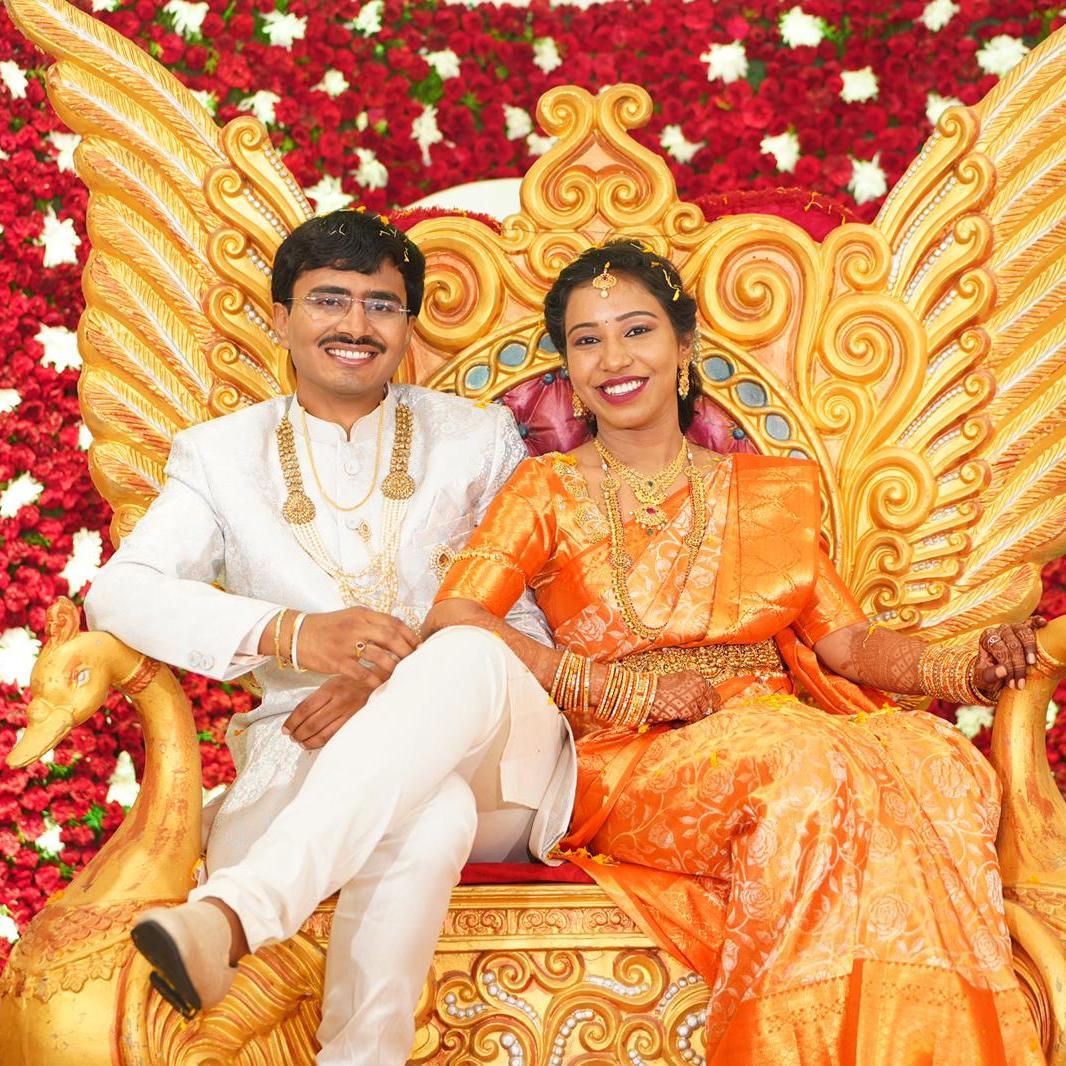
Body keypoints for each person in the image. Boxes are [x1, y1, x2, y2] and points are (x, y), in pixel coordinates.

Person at [424, 240, 1047, 1064]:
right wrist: (614, 690)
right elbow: (456, 615)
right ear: (567, 369)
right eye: (587, 340)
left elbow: (847, 641)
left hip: (777, 727)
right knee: (800, 764)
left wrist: (964, 669)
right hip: (628, 754)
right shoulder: (545, 490)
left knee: (937, 761)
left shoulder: (767, 491)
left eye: (637, 330)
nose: (614, 358)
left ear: (684, 345)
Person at [85, 208, 575, 1065]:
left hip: (500, 764)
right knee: (429, 813)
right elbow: (119, 593)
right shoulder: (219, 457)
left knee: (467, 653)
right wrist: (292, 634)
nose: (356, 325)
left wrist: (395, 686)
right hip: (303, 754)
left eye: (382, 305)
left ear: (408, 327)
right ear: (281, 318)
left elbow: (528, 621)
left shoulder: (477, 441)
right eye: (329, 300)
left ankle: (233, 915)